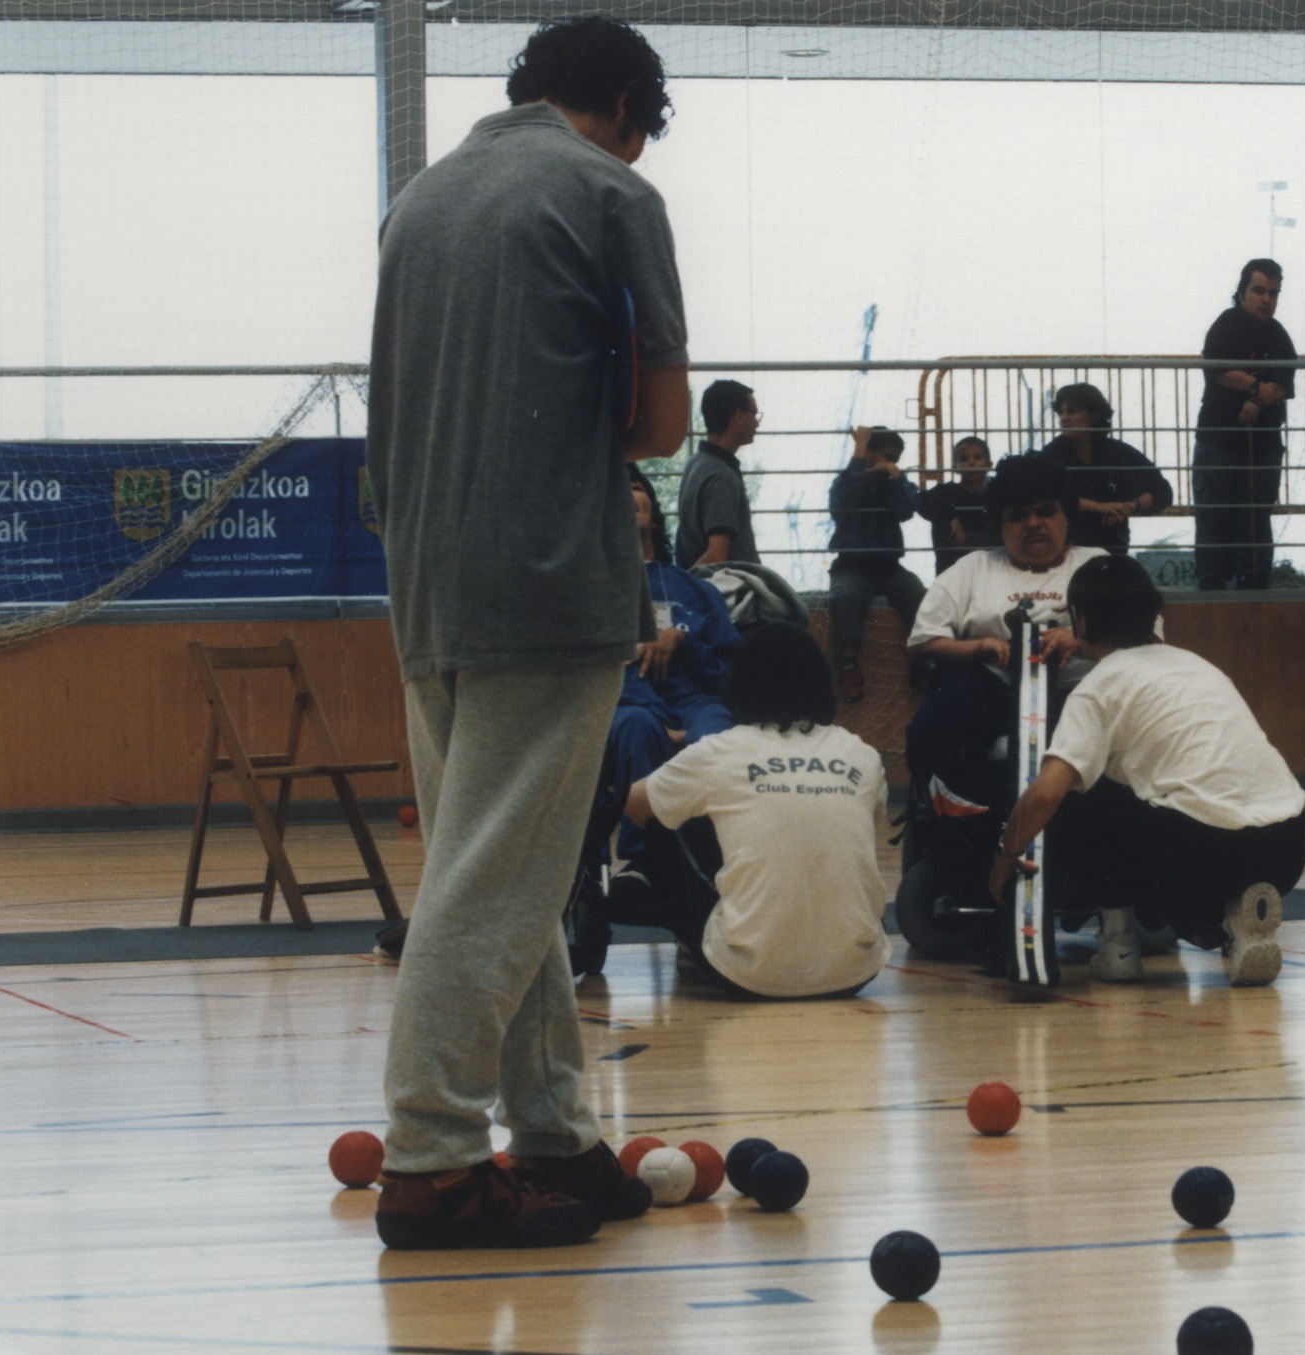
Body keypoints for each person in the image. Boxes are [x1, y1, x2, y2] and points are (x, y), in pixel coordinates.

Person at [364, 15, 689, 1250]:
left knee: (513, 870)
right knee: (491, 882)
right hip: (550, 580)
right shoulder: (609, 192)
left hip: (427, 582)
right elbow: (660, 425)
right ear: (626, 109)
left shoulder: (418, 201)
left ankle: (551, 1131)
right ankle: (433, 1159)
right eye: (643, 130)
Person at [989, 555, 1305, 987]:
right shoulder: (1199, 665)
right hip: (1287, 846)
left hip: (1202, 852)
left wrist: (1005, 856)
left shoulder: (1098, 688)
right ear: (1153, 613)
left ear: (1081, 621)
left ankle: (1119, 943)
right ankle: (1230, 918)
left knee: (1084, 789)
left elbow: (1045, 794)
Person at [904, 454, 1114, 959]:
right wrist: (977, 647)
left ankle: (1097, 863)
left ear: (1066, 515)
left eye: (1045, 511)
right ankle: (971, 836)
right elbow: (924, 640)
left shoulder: (1097, 565)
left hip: (1079, 695)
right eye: (1018, 516)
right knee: (934, 724)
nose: (1033, 524)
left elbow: (1145, 639)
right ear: (1000, 523)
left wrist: (1081, 641)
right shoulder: (973, 569)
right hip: (995, 687)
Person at [623, 622, 891, 999]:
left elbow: (634, 808)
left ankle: (689, 938)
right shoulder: (861, 753)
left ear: (740, 681)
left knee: (666, 819)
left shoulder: (719, 750)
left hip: (746, 976)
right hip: (855, 971)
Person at [600, 467, 738, 887]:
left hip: (695, 702)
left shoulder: (695, 588)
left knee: (716, 735)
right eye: (619, 489)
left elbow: (729, 661)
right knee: (636, 727)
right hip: (630, 703)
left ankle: (717, 856)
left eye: (637, 487)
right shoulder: (593, 587)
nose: (630, 493)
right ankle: (648, 863)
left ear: (654, 516)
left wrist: (683, 638)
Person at [1193, 258, 1298, 590]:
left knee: (1256, 515)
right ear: (1242, 292)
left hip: (1263, 442)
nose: (1266, 299)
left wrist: (1257, 397)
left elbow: (1285, 384)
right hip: (1218, 438)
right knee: (1213, 513)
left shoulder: (1279, 334)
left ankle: (1254, 581)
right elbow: (1218, 370)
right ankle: (1212, 582)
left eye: (1273, 293)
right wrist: (1256, 387)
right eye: (1259, 291)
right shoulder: (1225, 325)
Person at [827, 425, 927, 703]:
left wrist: (896, 476)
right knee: (847, 597)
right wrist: (860, 455)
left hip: (889, 567)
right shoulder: (848, 481)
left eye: (895, 459)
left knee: (918, 596)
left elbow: (908, 508)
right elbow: (844, 501)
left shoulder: (891, 486)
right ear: (869, 454)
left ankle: (924, 660)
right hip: (851, 565)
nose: (890, 463)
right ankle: (849, 663)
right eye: (886, 456)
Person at [1036, 382, 1173, 556]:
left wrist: (1129, 507)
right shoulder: (1051, 454)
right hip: (1066, 548)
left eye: (1071, 411)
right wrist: (1100, 507)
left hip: (1111, 546)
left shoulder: (1118, 452)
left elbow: (1162, 490)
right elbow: (1045, 496)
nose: (1064, 418)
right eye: (1061, 412)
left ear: (1094, 414)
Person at [677, 379, 761, 567]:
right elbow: (717, 556)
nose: (757, 423)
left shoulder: (695, 463)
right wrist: (689, 582)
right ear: (738, 416)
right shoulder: (722, 476)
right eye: (754, 415)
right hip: (733, 583)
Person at [918, 435, 999, 574]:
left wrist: (968, 537)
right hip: (952, 571)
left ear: (989, 465)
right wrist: (950, 516)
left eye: (977, 457)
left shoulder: (996, 495)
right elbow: (921, 502)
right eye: (964, 459)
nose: (971, 462)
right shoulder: (945, 492)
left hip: (991, 570)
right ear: (955, 467)